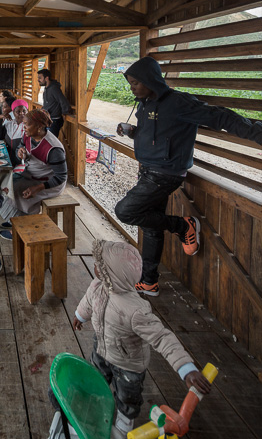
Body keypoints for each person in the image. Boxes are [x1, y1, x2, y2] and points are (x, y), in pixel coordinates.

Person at [115, 56, 262, 297]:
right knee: (150, 225)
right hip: (148, 169)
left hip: (165, 173)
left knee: (125, 211)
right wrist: (132, 131)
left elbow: (222, 116)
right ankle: (149, 282)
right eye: (130, 83)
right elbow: (154, 133)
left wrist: (257, 132)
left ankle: (184, 226)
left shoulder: (179, 103)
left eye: (135, 83)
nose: (132, 88)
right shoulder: (144, 104)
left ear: (150, 80)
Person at [67, 239, 211, 439]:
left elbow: (162, 337)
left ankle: (124, 422)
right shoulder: (97, 285)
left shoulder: (136, 310)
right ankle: (93, 410)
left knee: (127, 396)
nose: (95, 267)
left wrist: (186, 369)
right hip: (101, 348)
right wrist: (80, 315)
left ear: (113, 275)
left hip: (128, 364)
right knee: (95, 380)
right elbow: (88, 302)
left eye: (100, 265)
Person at [0, 108, 67, 240]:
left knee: (16, 191)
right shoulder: (28, 135)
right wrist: (20, 153)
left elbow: (61, 177)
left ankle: (21, 228)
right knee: (4, 183)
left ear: (40, 127)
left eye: (27, 124)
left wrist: (38, 188)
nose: (24, 127)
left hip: (48, 183)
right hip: (31, 174)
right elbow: (19, 148)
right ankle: (15, 219)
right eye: (23, 124)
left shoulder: (53, 148)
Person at [37, 68, 71, 138]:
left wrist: (64, 113)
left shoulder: (54, 88)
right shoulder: (47, 88)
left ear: (46, 78)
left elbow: (63, 101)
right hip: (48, 120)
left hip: (54, 120)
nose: (38, 80)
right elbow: (48, 103)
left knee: (51, 141)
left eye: (40, 78)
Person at [0, 96, 24, 167]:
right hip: (8, 159)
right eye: (18, 112)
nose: (21, 113)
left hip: (19, 163)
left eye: (24, 111)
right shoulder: (9, 122)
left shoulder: (27, 127)